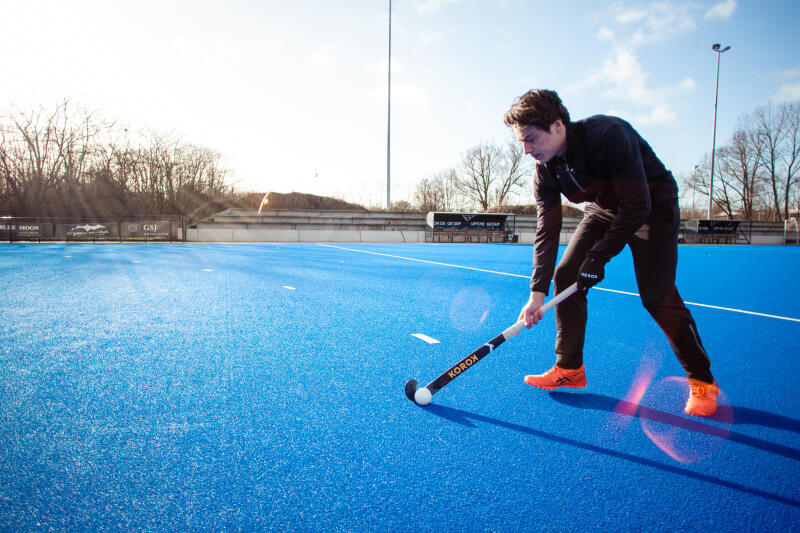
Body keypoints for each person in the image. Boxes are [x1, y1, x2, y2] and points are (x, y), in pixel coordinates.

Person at [504, 89, 719, 417]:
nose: (526, 150)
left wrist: (598, 257)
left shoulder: (607, 135)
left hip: (652, 207)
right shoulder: (546, 171)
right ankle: (569, 368)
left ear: (558, 125)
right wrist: (536, 294)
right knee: (566, 277)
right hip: (605, 209)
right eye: (522, 142)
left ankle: (703, 381)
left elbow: (637, 205)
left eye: (530, 139)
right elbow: (546, 231)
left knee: (657, 296)